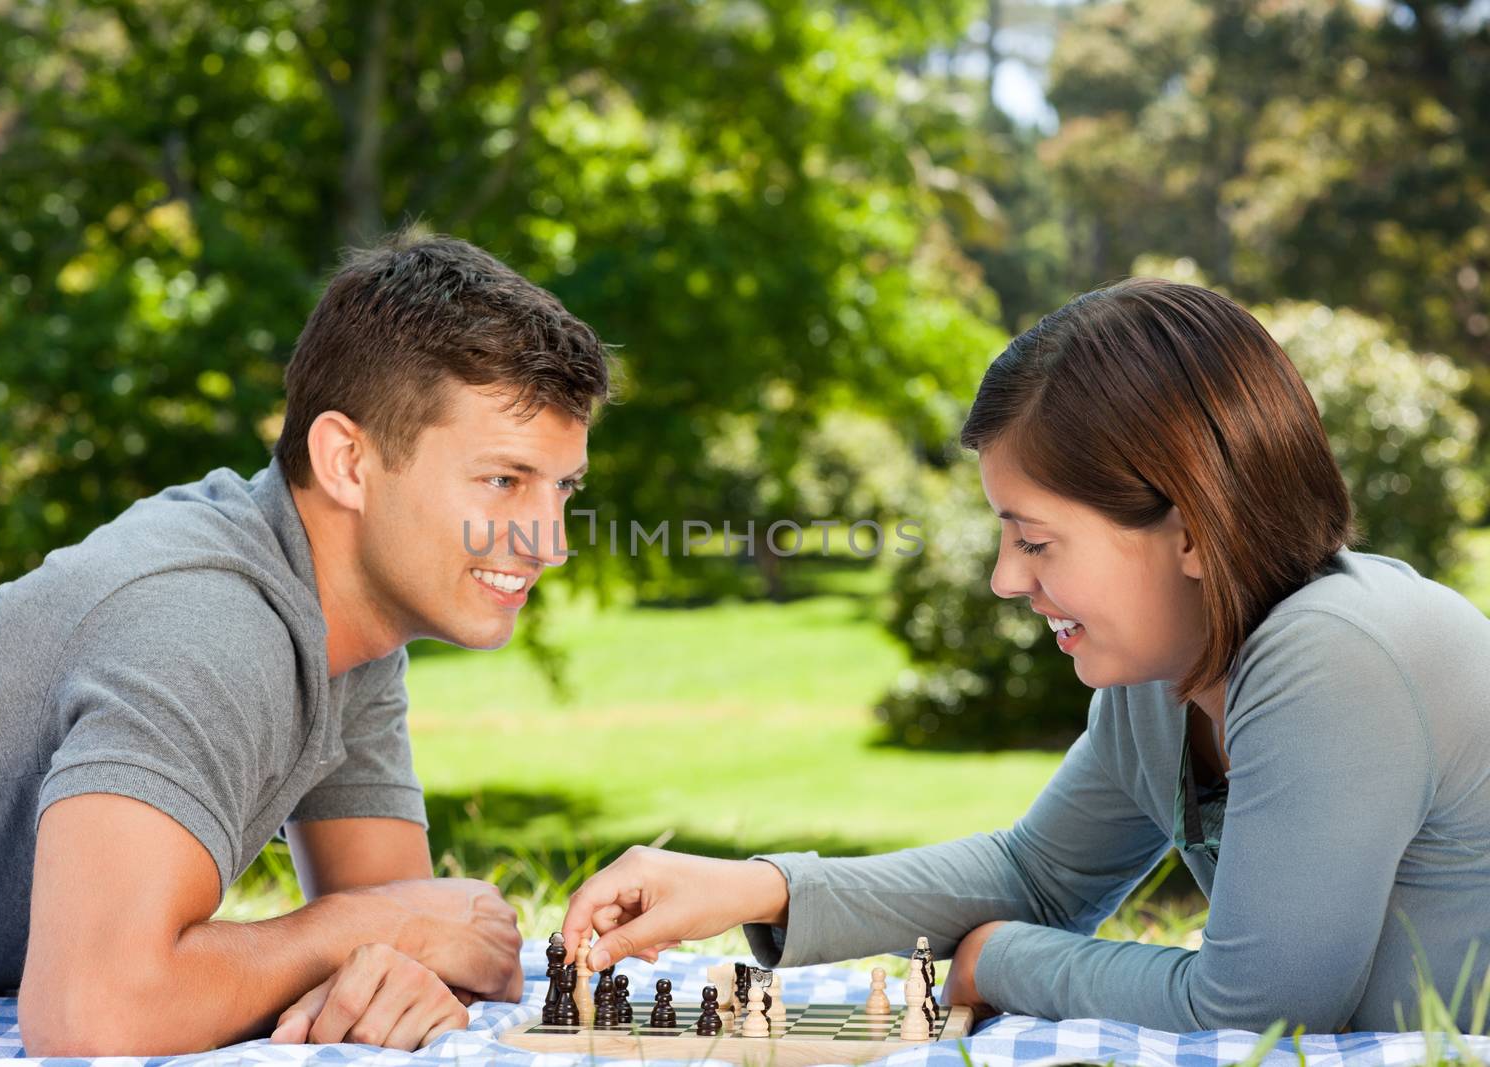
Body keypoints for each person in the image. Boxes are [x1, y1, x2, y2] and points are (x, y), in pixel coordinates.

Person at [559, 278, 1490, 1034]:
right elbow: (1039, 876)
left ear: (1195, 530)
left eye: (1037, 542)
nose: (1006, 579)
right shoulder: (1168, 673)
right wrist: (751, 885)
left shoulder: (1334, 655)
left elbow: (1261, 1009)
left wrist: (1003, 957)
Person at [0, 231, 611, 1054]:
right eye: (503, 480)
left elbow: (412, 933)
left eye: (561, 489)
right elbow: (91, 1012)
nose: (550, 543)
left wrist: (388, 939)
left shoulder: (350, 631)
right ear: (346, 460)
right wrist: (359, 926)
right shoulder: (208, 626)